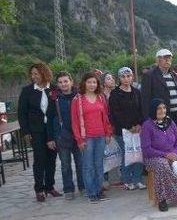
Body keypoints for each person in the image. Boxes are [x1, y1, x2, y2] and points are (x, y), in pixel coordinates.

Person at [141, 99, 177, 212]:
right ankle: (162, 199)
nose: (162, 110)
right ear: (153, 110)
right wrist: (165, 155)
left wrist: (174, 153)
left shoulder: (170, 122)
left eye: (164, 108)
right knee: (163, 165)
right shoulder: (147, 125)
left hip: (173, 154)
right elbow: (147, 149)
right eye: (159, 108)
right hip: (154, 157)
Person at [18, 63, 61, 202]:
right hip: (35, 131)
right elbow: (22, 113)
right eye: (32, 74)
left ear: (44, 73)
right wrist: (25, 132)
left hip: (51, 130)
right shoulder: (27, 91)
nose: (33, 76)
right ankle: (39, 189)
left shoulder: (54, 89)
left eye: (36, 73)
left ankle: (50, 186)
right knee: (39, 160)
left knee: (52, 159)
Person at [71, 72, 113, 203]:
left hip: (100, 136)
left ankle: (99, 190)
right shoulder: (77, 100)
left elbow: (105, 117)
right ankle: (91, 193)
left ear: (97, 84)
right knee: (88, 166)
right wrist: (79, 139)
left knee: (99, 165)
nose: (92, 84)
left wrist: (108, 133)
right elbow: (75, 121)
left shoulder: (101, 98)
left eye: (94, 82)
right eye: (89, 82)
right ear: (84, 83)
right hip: (86, 138)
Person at [46, 71, 84, 200]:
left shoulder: (79, 96)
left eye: (66, 81)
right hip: (62, 137)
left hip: (78, 136)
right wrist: (50, 138)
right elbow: (50, 118)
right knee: (65, 165)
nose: (63, 84)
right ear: (57, 84)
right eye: (60, 82)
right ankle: (68, 189)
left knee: (81, 163)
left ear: (71, 82)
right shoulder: (54, 99)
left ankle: (83, 187)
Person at [108, 67, 145, 191]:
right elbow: (115, 113)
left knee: (138, 154)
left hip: (137, 129)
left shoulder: (136, 92)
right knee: (127, 154)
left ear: (132, 77)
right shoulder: (115, 93)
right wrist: (129, 126)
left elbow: (141, 110)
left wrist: (139, 124)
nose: (126, 79)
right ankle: (127, 180)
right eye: (123, 76)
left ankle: (137, 179)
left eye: (128, 76)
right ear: (119, 78)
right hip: (122, 131)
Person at [141, 49, 177, 134]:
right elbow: (145, 100)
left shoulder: (175, 76)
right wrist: (148, 120)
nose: (168, 60)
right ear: (158, 60)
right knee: (163, 143)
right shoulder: (149, 76)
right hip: (161, 116)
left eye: (169, 58)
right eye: (165, 58)